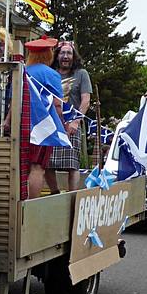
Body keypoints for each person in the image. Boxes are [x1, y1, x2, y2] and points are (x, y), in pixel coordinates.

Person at [47, 41, 92, 192]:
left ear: (74, 57)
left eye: (69, 53)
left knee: (72, 164)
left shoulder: (81, 74)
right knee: (47, 162)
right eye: (62, 53)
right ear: (57, 55)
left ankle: (72, 196)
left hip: (72, 123)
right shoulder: (50, 73)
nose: (65, 56)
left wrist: (76, 121)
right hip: (52, 123)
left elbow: (86, 100)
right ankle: (55, 193)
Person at [24, 35, 63, 198]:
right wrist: (62, 126)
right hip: (43, 127)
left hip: (22, 123)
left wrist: (7, 122)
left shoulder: (22, 71)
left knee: (22, 166)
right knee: (37, 167)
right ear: (48, 54)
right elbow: (57, 104)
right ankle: (30, 205)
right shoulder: (51, 74)